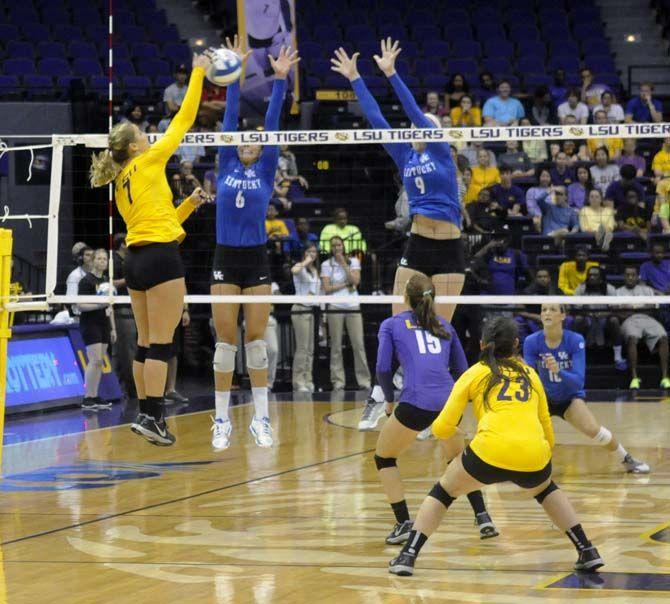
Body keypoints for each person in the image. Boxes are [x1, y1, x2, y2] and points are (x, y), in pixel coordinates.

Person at [389, 317, 604, 576]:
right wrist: (542, 455)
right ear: (516, 344)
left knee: (443, 491)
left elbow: (441, 426)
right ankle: (587, 549)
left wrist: (458, 434)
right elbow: (546, 425)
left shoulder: (475, 373)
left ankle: (408, 555)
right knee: (547, 489)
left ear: (481, 344)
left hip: (488, 453)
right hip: (534, 454)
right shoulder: (531, 374)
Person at [332, 40, 466, 422]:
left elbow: (412, 110)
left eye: (422, 124)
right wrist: (357, 78)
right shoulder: (405, 154)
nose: (414, 127)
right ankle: (380, 394)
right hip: (419, 243)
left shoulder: (440, 151)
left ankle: (434, 408)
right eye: (414, 125)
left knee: (439, 332)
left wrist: (391, 73)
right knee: (397, 324)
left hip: (452, 250)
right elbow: (377, 120)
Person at [89, 52, 212, 446]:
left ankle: (147, 413)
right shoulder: (148, 161)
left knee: (147, 342)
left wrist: (188, 205)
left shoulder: (122, 180)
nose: (146, 135)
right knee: (161, 343)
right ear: (135, 146)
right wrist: (198, 72)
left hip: (138, 259)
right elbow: (185, 120)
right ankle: (154, 416)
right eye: (140, 133)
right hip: (159, 260)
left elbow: (160, 221)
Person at [209, 37, 299, 451]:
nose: (247, 142)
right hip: (226, 258)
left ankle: (261, 419)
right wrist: (234, 76)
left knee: (256, 346)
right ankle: (222, 420)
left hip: (256, 259)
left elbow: (274, 122)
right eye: (242, 140)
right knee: (225, 347)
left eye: (253, 141)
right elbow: (229, 118)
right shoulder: (226, 161)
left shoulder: (264, 170)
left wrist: (280, 81)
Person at [375, 274, 497, 546]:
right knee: (458, 461)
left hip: (416, 401)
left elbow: (383, 368)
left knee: (384, 457)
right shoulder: (445, 325)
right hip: (448, 401)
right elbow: (462, 371)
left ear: (405, 297)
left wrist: (388, 400)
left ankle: (403, 523)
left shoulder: (392, 324)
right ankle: (484, 517)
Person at [524, 304, 649, 473]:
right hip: (543, 398)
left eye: (552, 310)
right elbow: (530, 378)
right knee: (523, 430)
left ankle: (627, 459)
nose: (547, 313)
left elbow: (577, 382)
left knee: (593, 430)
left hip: (569, 397)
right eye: (544, 310)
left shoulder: (575, 340)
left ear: (563, 316)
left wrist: (558, 371)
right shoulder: (531, 341)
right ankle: (509, 466)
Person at [321, 236, 371, 390]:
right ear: (330, 248)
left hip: (353, 305)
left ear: (343, 246)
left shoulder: (353, 261)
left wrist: (343, 264)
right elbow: (327, 288)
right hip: (335, 306)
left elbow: (355, 281)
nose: (337, 248)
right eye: (334, 245)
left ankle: (364, 381)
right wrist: (344, 284)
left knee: (358, 344)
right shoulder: (326, 265)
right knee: (336, 345)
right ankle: (338, 381)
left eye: (339, 245)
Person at [616, 266, 670, 390]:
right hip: (629, 320)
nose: (630, 277)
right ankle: (634, 378)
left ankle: (665, 377)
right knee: (632, 337)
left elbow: (651, 310)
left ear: (637, 277)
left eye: (633, 275)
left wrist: (631, 308)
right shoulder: (618, 291)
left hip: (647, 318)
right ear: (624, 277)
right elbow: (618, 312)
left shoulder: (647, 290)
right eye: (627, 275)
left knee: (663, 336)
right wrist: (638, 308)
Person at [78, 248, 116, 411]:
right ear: (93, 261)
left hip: (104, 323)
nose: (102, 261)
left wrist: (113, 328)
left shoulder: (107, 281)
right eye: (99, 259)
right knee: (94, 360)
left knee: (100, 362)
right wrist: (98, 305)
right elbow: (80, 305)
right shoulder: (86, 281)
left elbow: (110, 306)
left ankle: (94, 396)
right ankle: (87, 397)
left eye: (105, 259)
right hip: (90, 323)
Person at [573, 266, 627, 369]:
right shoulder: (581, 288)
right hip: (587, 319)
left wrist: (603, 314)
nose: (592, 277)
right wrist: (589, 314)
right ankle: (576, 356)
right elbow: (576, 309)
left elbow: (614, 309)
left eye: (595, 275)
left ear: (601, 277)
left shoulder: (609, 288)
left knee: (614, 320)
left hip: (604, 319)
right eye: (590, 275)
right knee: (578, 320)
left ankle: (618, 357)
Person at [291, 243, 320, 392]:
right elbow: (294, 270)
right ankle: (298, 380)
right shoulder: (300, 267)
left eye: (314, 252)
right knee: (302, 347)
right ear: (304, 253)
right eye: (309, 251)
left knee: (310, 348)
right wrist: (306, 261)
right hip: (300, 308)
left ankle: (308, 379)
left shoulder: (315, 270)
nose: (312, 254)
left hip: (312, 309)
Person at [111, 232, 137, 399]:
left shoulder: (129, 259)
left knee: (128, 351)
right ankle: (132, 390)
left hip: (133, 307)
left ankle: (121, 388)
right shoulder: (114, 261)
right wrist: (130, 279)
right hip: (120, 309)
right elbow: (109, 283)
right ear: (122, 244)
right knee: (127, 352)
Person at [66, 242, 93, 317]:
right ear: (81, 258)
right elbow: (71, 299)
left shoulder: (97, 274)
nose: (91, 258)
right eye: (87, 255)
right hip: (79, 317)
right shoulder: (74, 276)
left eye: (92, 255)